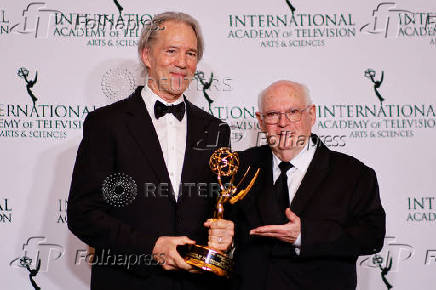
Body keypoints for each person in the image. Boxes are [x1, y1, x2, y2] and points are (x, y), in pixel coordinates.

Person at [67, 12, 233, 290]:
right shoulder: (106, 124)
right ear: (147, 56)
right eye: (171, 51)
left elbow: (223, 207)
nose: (182, 62)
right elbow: (83, 214)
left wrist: (228, 231)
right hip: (128, 282)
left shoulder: (215, 129)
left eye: (191, 53)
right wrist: (151, 247)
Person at [232, 80, 386, 290]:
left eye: (293, 112)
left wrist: (306, 235)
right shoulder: (238, 167)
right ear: (260, 120)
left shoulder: (353, 174)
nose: (283, 123)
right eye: (272, 114)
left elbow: (372, 236)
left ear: (311, 115)